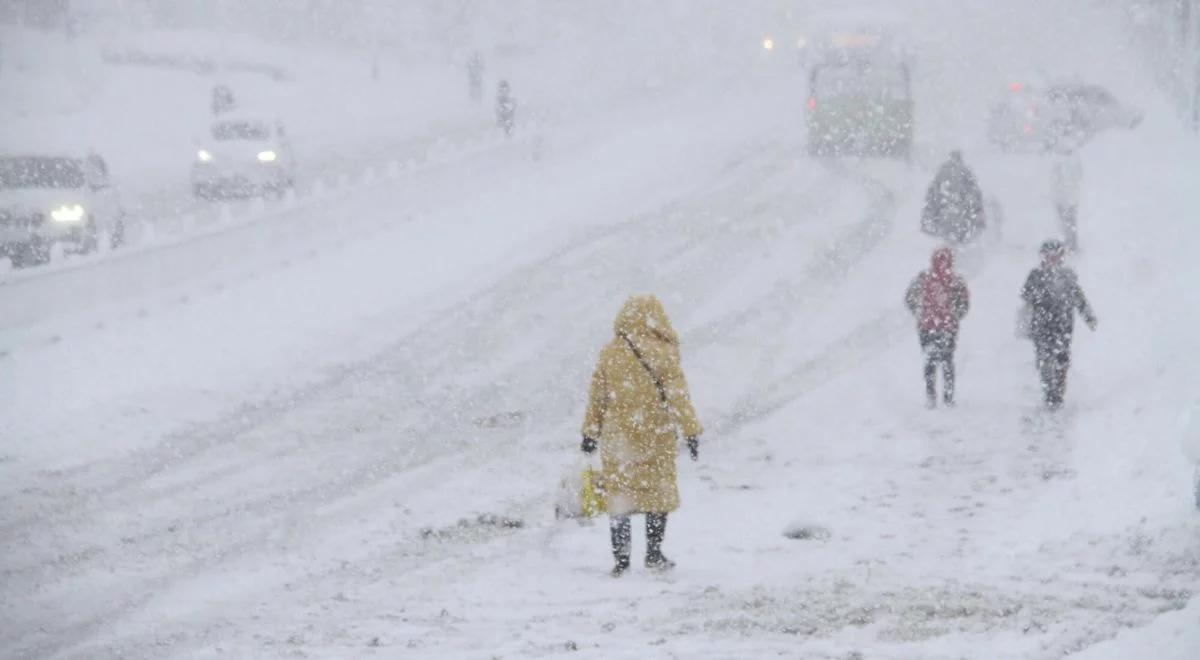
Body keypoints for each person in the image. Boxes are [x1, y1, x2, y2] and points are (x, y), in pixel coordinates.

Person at [581, 295, 703, 577]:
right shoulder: (664, 351)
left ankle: (621, 561)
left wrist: (590, 432)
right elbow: (677, 395)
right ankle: (654, 553)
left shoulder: (611, 352)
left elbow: (597, 397)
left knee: (620, 497)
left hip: (618, 438)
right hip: (655, 435)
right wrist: (691, 431)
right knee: (657, 497)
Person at [1020, 239, 1097, 410]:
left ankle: (1059, 392)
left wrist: (1089, 316)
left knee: (1062, 359)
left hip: (1063, 326)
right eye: (1049, 256)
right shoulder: (1035, 276)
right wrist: (1039, 296)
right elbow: (1026, 296)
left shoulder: (1068, 277)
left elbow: (1079, 299)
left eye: (1056, 256)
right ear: (1043, 257)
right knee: (1044, 360)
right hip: (1041, 326)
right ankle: (1049, 391)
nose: (1053, 260)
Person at [905, 247, 970, 408]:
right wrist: (921, 312)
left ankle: (942, 397)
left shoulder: (954, 281)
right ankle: (935, 396)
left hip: (943, 327)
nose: (942, 264)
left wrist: (954, 315)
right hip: (930, 326)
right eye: (939, 260)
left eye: (944, 260)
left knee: (942, 361)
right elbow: (910, 298)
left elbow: (964, 303)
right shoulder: (926, 279)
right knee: (933, 362)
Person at [921, 150, 985, 243]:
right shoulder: (966, 171)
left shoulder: (941, 171)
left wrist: (930, 215)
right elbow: (974, 192)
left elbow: (933, 192)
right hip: (960, 209)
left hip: (944, 208)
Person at [1050, 147, 1083, 251]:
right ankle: (1072, 243)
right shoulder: (1075, 162)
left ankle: (1071, 243)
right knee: (1070, 222)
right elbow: (1079, 177)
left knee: (1067, 222)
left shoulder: (1059, 163)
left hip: (1064, 198)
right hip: (1070, 198)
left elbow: (1056, 180)